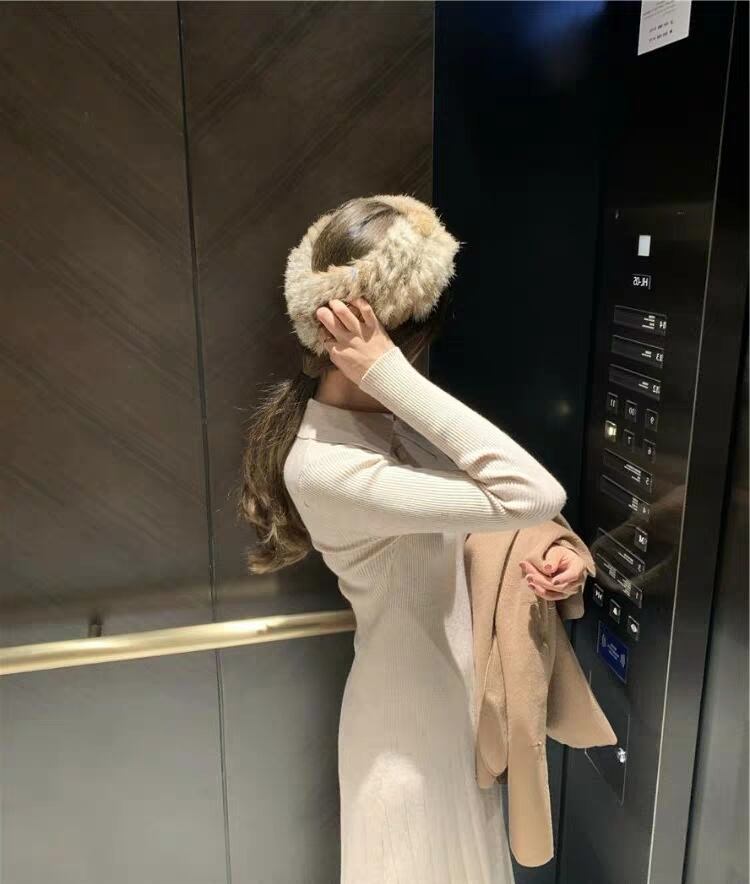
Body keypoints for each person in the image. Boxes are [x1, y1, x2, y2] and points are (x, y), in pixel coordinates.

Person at [240, 196, 589, 884]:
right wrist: (391, 375)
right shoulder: (329, 466)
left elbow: (500, 516)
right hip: (406, 740)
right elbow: (535, 492)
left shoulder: (392, 430)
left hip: (452, 711)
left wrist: (556, 553)